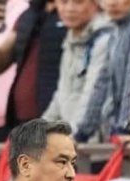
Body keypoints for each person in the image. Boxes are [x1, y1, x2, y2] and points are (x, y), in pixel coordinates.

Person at [75, 0, 130, 144]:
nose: (112, 3)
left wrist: (126, 127)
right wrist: (82, 132)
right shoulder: (115, 29)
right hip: (118, 127)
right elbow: (102, 82)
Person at [41, 0, 109, 141]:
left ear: (95, 4)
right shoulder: (70, 37)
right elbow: (61, 94)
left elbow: (93, 93)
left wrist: (74, 136)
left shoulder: (105, 38)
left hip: (93, 142)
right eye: (63, 2)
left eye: (78, 2)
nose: (70, 9)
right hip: (71, 140)